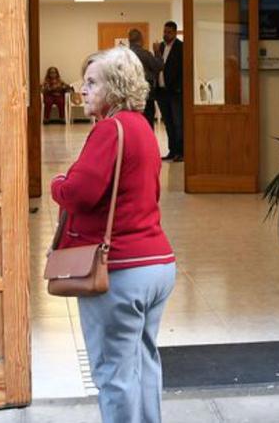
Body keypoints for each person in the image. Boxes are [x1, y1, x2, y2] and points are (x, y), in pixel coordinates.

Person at [51, 47, 176, 423]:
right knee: (143, 365)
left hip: (119, 271)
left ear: (117, 89)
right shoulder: (142, 127)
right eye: (83, 81)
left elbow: (79, 193)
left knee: (114, 374)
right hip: (156, 264)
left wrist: (57, 182)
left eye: (92, 83)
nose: (83, 90)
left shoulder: (110, 130)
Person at [153, 21, 185, 161]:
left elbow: (182, 70)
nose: (165, 34)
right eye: (164, 31)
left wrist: (179, 87)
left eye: (169, 32)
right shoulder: (160, 47)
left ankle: (181, 152)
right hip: (161, 92)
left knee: (178, 123)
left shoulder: (181, 47)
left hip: (175, 92)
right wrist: (155, 54)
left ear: (175, 32)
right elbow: (156, 66)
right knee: (168, 123)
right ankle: (172, 151)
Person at [127, 28, 163, 126]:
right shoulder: (145, 54)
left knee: (133, 123)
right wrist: (157, 52)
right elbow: (158, 66)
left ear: (129, 40)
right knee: (147, 122)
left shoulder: (125, 55)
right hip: (146, 95)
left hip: (130, 95)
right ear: (141, 39)